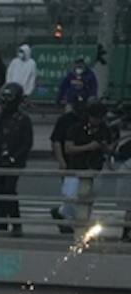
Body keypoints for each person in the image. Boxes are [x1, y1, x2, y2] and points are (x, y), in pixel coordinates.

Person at [52, 96, 107, 233]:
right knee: (70, 196)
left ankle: (81, 227)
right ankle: (65, 216)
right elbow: (68, 148)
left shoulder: (104, 129)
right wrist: (88, 147)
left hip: (95, 169)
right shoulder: (76, 128)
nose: (97, 121)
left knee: (88, 200)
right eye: (95, 117)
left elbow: (109, 147)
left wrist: (105, 147)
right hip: (76, 167)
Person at [0, 84, 32, 234]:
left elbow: (27, 143)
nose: (6, 102)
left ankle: (16, 223)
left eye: (9, 98)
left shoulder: (23, 119)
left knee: (9, 191)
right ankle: (1, 224)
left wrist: (14, 158)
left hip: (14, 162)